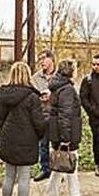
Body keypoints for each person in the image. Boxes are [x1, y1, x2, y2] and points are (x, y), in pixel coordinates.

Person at [0, 62, 46, 196]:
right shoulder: (32, 97)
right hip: (26, 140)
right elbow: (38, 123)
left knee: (9, 175)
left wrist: (7, 130)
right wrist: (40, 133)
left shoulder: (3, 95)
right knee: (24, 177)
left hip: (8, 139)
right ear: (27, 75)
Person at [46, 59, 86, 196]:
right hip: (65, 133)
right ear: (70, 71)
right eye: (75, 69)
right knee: (68, 162)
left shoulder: (58, 87)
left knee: (63, 163)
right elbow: (65, 115)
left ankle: (69, 195)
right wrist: (66, 139)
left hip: (58, 132)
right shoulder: (67, 89)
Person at [31, 50, 56, 182]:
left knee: (56, 144)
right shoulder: (35, 78)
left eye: (43, 58)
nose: (41, 62)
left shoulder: (60, 76)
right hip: (42, 114)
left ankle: (58, 170)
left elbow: (68, 94)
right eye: (39, 59)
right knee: (43, 144)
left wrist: (52, 96)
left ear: (51, 59)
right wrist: (39, 97)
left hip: (56, 114)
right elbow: (31, 94)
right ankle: (45, 169)